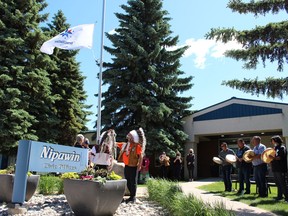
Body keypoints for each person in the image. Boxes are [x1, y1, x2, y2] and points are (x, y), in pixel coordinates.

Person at [117, 128, 146, 203]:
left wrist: (139, 165)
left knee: (133, 181)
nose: (128, 137)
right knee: (128, 180)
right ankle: (131, 196)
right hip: (127, 165)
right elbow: (117, 144)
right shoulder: (125, 145)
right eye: (128, 136)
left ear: (133, 137)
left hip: (133, 166)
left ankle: (133, 197)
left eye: (130, 136)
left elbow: (141, 156)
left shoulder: (137, 146)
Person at [269, 135, 288, 202]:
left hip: (280, 168)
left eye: (272, 140)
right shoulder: (275, 148)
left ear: (276, 140)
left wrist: (272, 158)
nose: (271, 142)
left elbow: (280, 157)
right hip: (275, 168)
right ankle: (279, 196)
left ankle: (287, 197)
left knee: (282, 183)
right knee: (278, 183)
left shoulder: (282, 147)